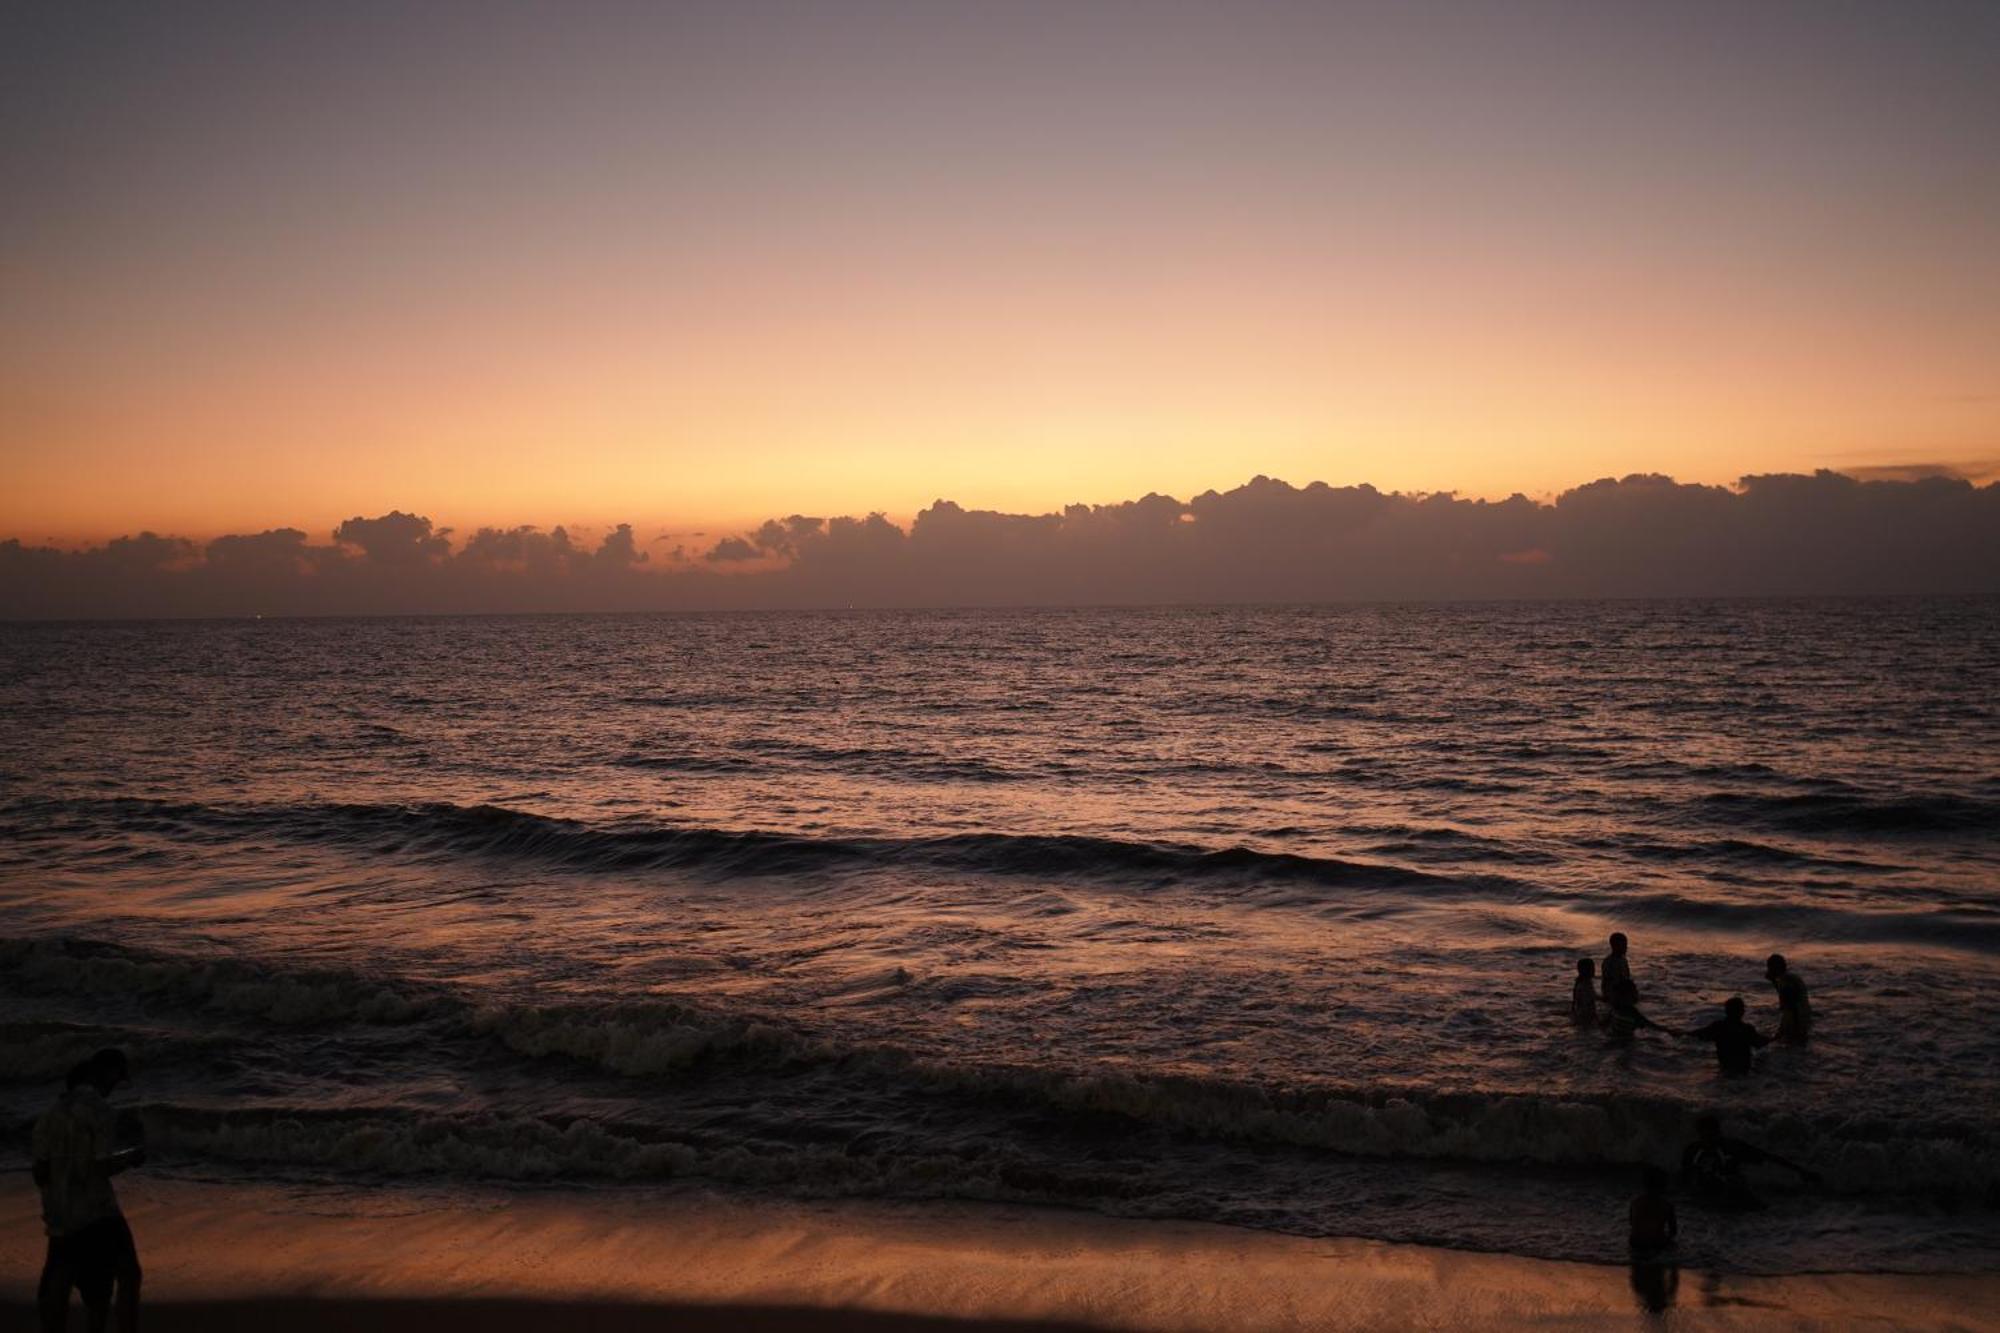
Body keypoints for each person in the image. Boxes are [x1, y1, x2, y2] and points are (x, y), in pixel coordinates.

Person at [33, 1048, 143, 1333]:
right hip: (98, 1211)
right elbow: (101, 1167)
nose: (114, 1087)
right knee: (127, 1274)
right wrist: (132, 1156)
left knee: (61, 1283)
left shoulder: (49, 1114)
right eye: (116, 1079)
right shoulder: (101, 1111)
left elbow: (40, 1172)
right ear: (107, 1073)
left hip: (59, 1213)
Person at [1680, 1113, 1820, 1209]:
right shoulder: (1693, 1150)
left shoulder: (1732, 1147)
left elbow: (1768, 1157)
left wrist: (1802, 1171)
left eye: (1712, 1133)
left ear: (1718, 1132)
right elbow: (1685, 1174)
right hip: (1707, 1194)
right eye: (1704, 1133)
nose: (1708, 1138)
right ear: (1699, 1133)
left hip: (1734, 1193)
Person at [1686, 996, 1769, 1076]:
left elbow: (1697, 1034)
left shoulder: (1719, 1027)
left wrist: (1681, 1033)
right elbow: (1760, 1043)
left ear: (1726, 1011)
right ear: (1742, 1012)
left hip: (1726, 1069)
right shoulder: (1747, 1029)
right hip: (1744, 1070)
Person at [1628, 1165, 1678, 1251]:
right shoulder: (1667, 1205)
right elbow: (1673, 1231)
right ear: (1663, 1185)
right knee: (1673, 1245)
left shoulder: (1635, 1202)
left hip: (1635, 1242)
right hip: (1656, 1243)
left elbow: (1631, 1223)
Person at [1766, 953, 1811, 1044]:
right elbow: (1784, 997)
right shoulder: (1789, 978)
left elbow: (1790, 1006)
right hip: (1802, 1014)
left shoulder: (1786, 982)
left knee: (1791, 1043)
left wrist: (1785, 1030)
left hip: (1796, 1018)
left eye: (1769, 967)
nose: (1768, 970)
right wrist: (1774, 981)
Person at [1605, 978, 1661, 1043]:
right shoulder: (1632, 1012)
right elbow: (1649, 1024)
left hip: (1613, 1040)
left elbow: (1604, 1023)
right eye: (1634, 992)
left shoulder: (1614, 1009)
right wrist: (1669, 1031)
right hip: (1627, 1043)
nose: (1637, 994)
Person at [1601, 932, 1633, 1002]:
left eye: (1626, 945)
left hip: (1622, 993)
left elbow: (1627, 976)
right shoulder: (1609, 962)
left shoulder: (1623, 960)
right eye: (1623, 945)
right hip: (1614, 995)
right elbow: (1607, 982)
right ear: (1615, 946)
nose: (1626, 948)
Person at [1571, 958, 1598, 1026]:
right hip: (1585, 1018)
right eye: (1592, 968)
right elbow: (1586, 1006)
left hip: (1583, 1016)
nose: (1594, 970)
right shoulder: (1584, 986)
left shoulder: (1586, 982)